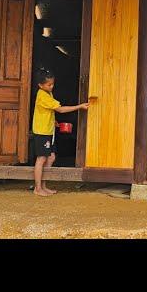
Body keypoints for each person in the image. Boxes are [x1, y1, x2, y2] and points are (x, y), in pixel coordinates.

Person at [32, 68, 89, 197]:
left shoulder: (48, 94)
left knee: (51, 157)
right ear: (40, 85)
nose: (52, 86)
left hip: (48, 130)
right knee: (41, 158)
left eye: (52, 84)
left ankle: (44, 186)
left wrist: (54, 122)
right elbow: (60, 109)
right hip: (42, 132)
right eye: (49, 85)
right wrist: (79, 107)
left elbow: (47, 111)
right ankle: (37, 188)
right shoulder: (42, 95)